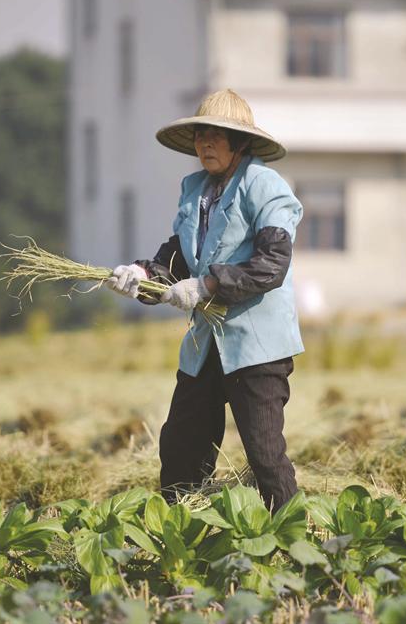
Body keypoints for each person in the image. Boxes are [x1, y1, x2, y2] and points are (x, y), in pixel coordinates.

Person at [103, 89, 304, 512]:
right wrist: (142, 275)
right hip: (205, 345)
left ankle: (293, 540)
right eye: (200, 136)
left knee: (265, 457)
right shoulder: (196, 191)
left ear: (241, 143)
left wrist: (207, 286)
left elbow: (272, 264)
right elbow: (176, 258)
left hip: (256, 346)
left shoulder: (264, 185)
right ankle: (181, 534)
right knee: (180, 448)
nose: (205, 144)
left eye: (216, 136)